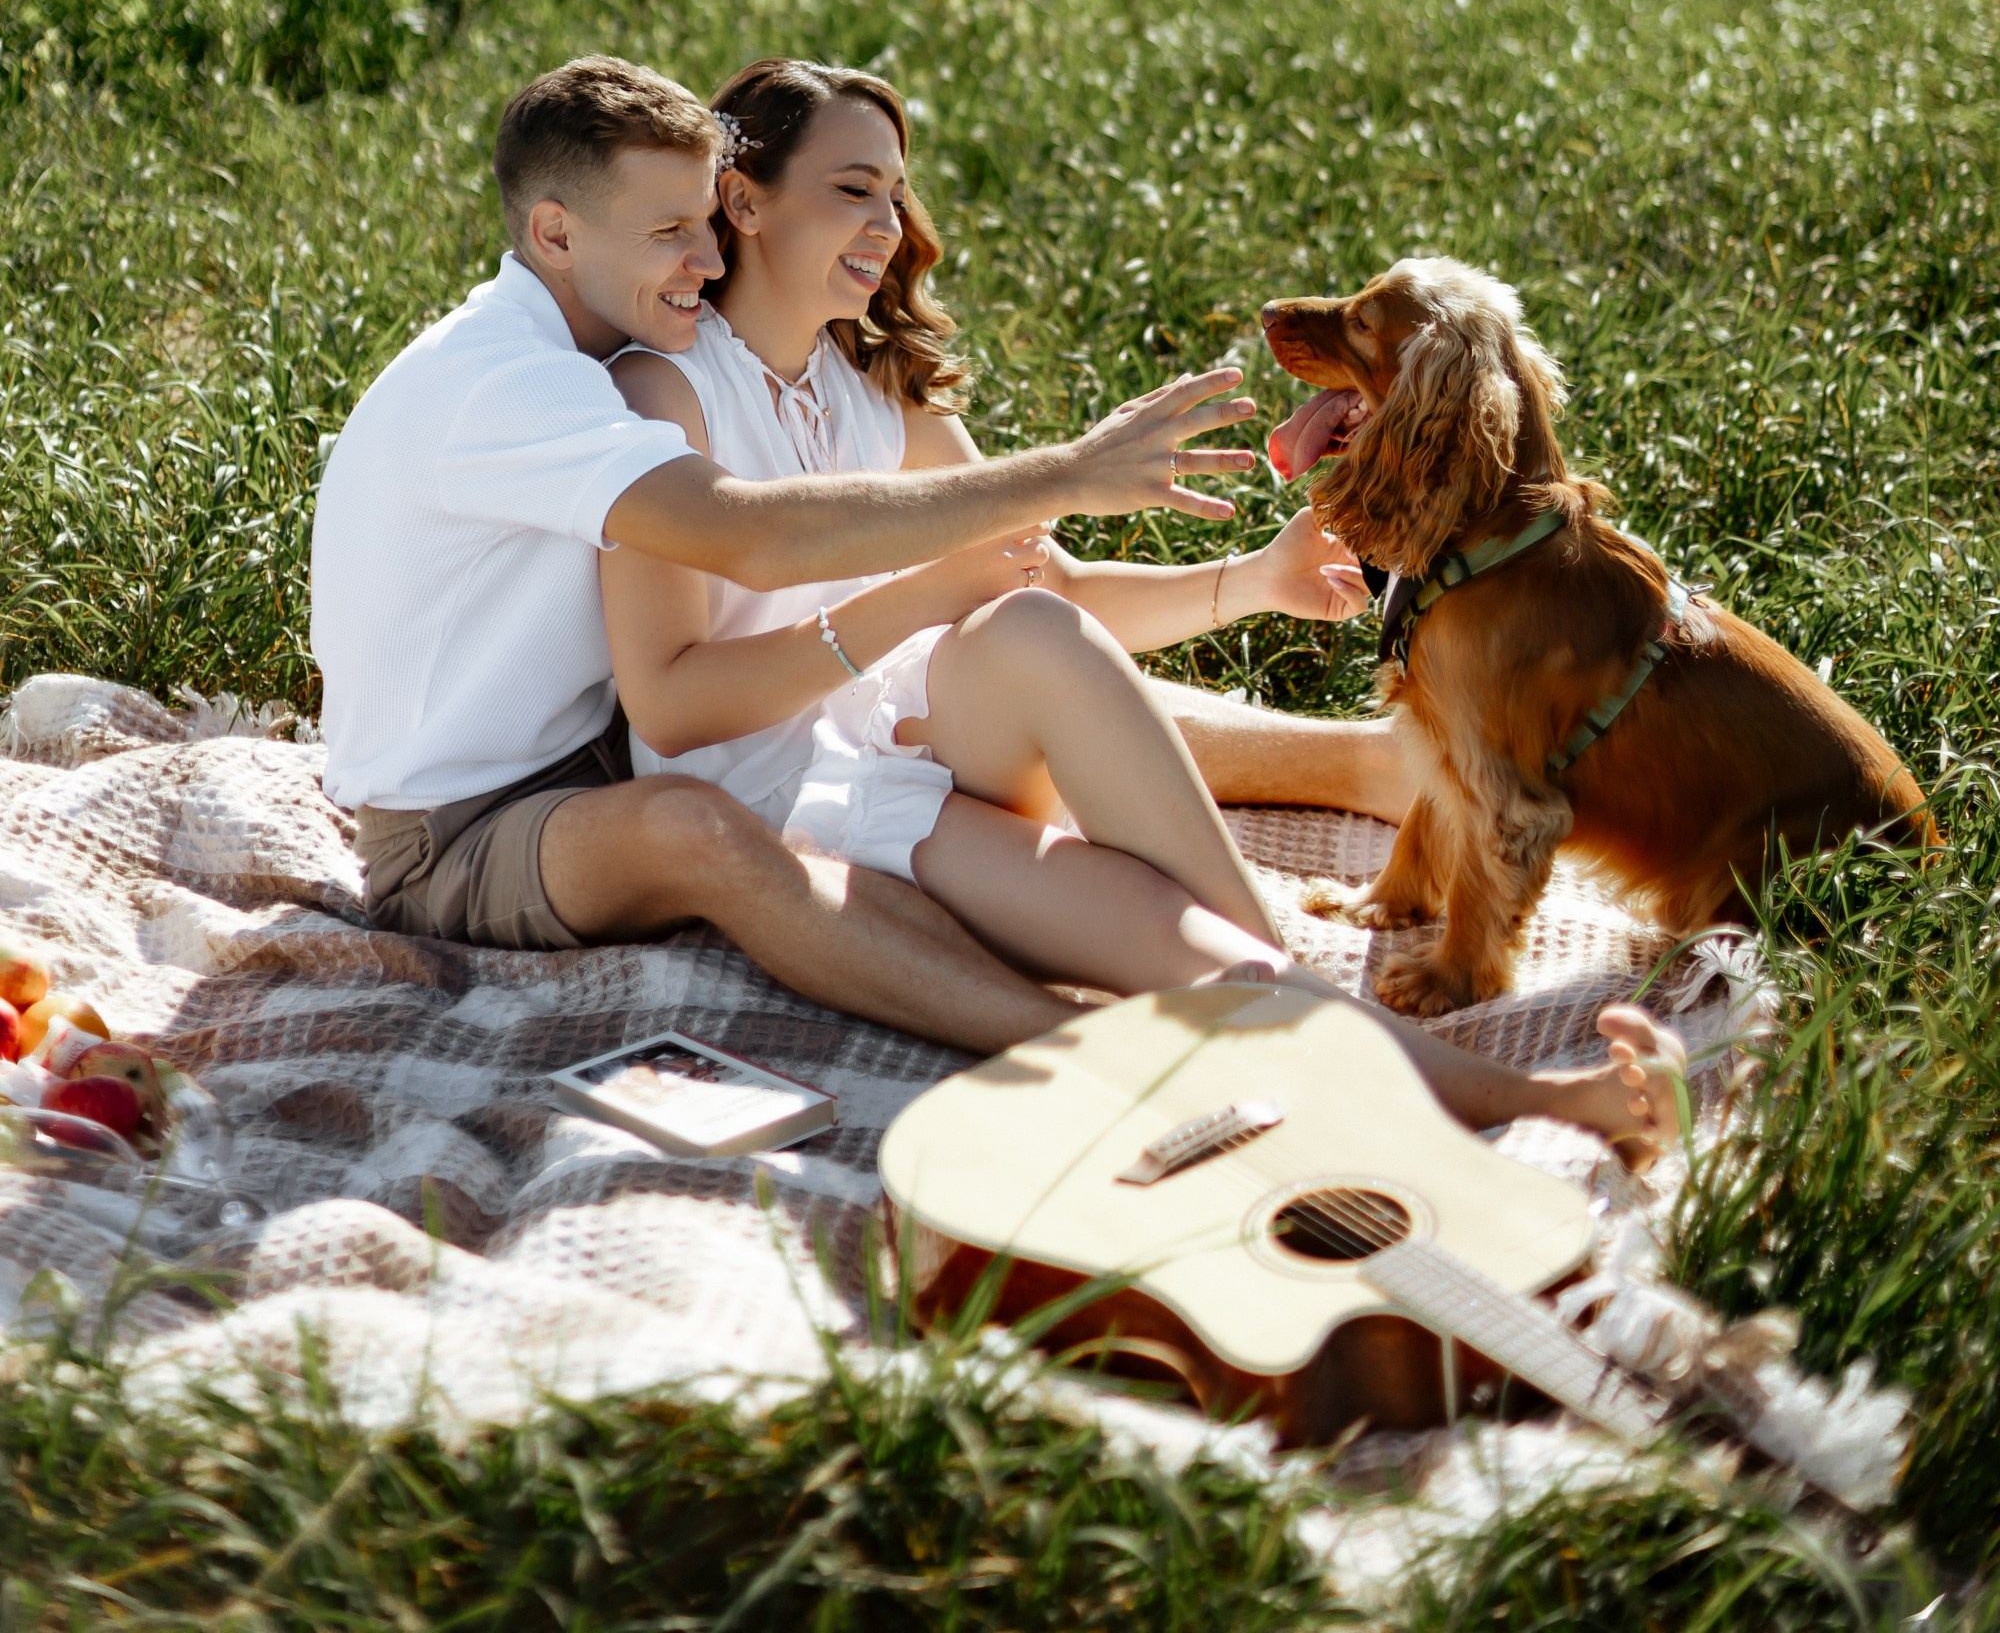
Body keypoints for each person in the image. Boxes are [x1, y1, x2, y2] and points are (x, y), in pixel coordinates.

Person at [601, 57, 1683, 1156]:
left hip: (912, 728)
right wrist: (926, 597)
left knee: (1031, 627)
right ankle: (1522, 1101)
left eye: (894, 192)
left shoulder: (872, 386)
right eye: (850, 189)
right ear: (743, 200)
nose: (887, 223)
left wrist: (1247, 582)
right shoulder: (667, 394)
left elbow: (1052, 590)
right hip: (778, 794)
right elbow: (677, 712)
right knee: (1184, 953)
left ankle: (1308, 1003)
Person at [311, 54, 1264, 1057]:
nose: (710, 259)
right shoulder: (507, 384)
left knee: (932, 742)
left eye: (705, 224)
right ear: (554, 232)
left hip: (589, 760)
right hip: (452, 831)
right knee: (702, 828)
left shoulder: (601, 358)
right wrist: (1064, 474)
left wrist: (1245, 582)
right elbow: (754, 535)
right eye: (673, 233)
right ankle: (1073, 1049)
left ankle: (1231, 982)